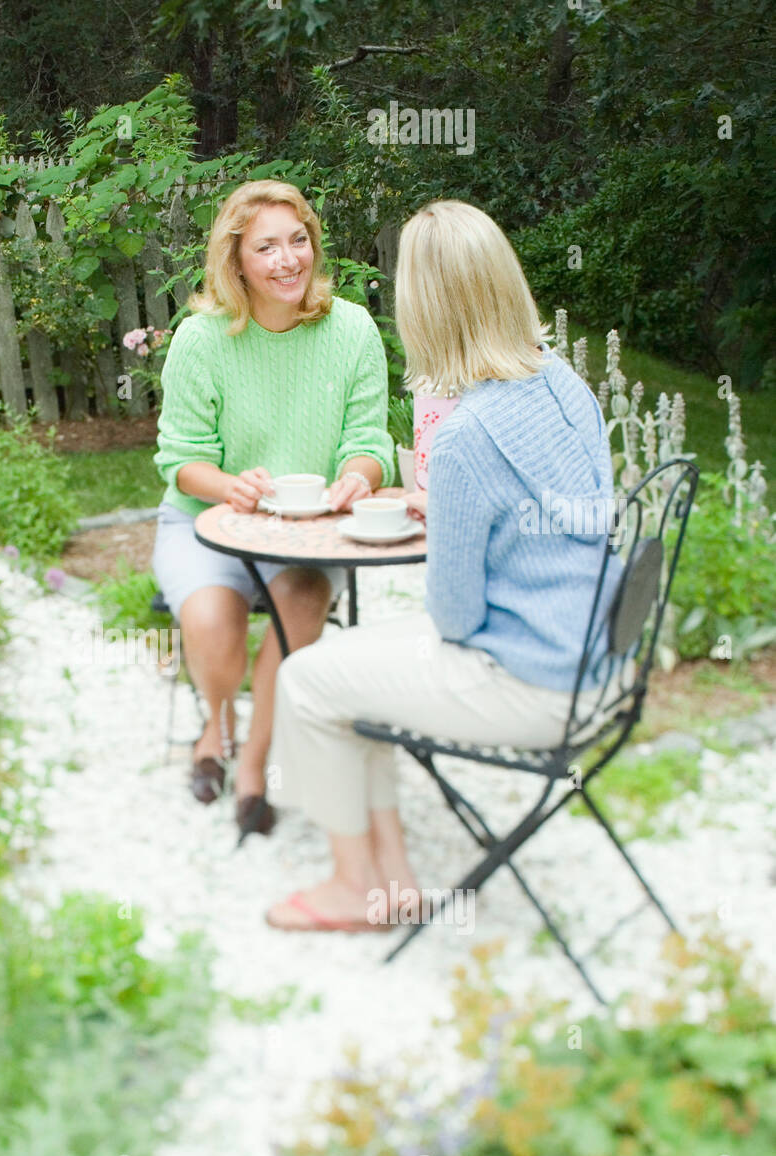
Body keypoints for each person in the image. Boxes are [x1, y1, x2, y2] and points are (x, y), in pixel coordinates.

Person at [265, 199, 617, 931]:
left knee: (306, 676)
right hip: (594, 658)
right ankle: (391, 878)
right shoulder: (563, 385)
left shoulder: (466, 436)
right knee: (348, 667)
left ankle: (352, 888)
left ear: (422, 309)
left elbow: (455, 617)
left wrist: (454, 512)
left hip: (534, 682)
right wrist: (458, 515)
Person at [151, 179, 395, 841]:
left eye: (299, 241)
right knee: (210, 624)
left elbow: (370, 443)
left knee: (302, 602)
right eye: (267, 247)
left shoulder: (350, 330)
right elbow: (180, 459)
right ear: (236, 262)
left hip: (307, 532)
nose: (289, 259)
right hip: (208, 521)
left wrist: (355, 478)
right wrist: (231, 484)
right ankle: (217, 721)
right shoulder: (202, 340)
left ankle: (253, 762)